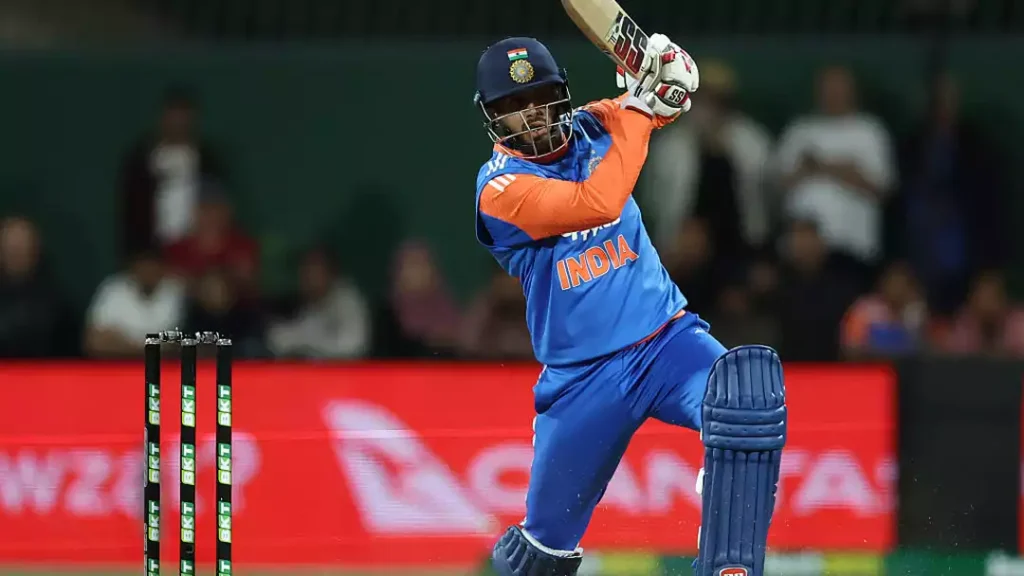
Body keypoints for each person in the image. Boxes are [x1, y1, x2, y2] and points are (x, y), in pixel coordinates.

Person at [472, 36, 787, 576]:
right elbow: (598, 201)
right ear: (492, 118)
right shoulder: (500, 190)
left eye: (541, 97)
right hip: (582, 378)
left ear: (561, 94)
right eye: (513, 106)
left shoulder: (594, 124)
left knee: (745, 399)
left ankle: (729, 565)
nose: (531, 115)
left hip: (665, 342)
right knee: (539, 556)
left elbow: (664, 103)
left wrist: (670, 77)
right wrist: (642, 107)